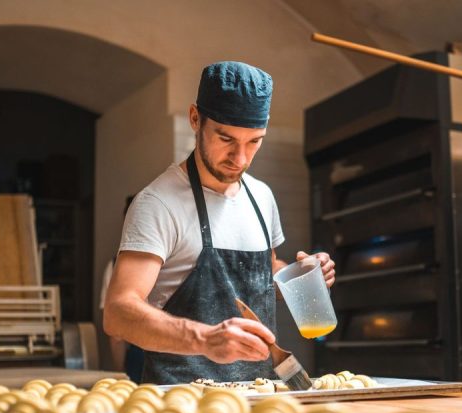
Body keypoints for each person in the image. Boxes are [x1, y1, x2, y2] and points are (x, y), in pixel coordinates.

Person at [103, 61, 335, 384]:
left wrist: (301, 275)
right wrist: (203, 339)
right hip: (180, 406)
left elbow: (263, 271)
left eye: (254, 141)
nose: (240, 158)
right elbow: (117, 312)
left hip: (258, 398)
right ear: (195, 119)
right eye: (226, 139)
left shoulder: (262, 197)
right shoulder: (157, 203)